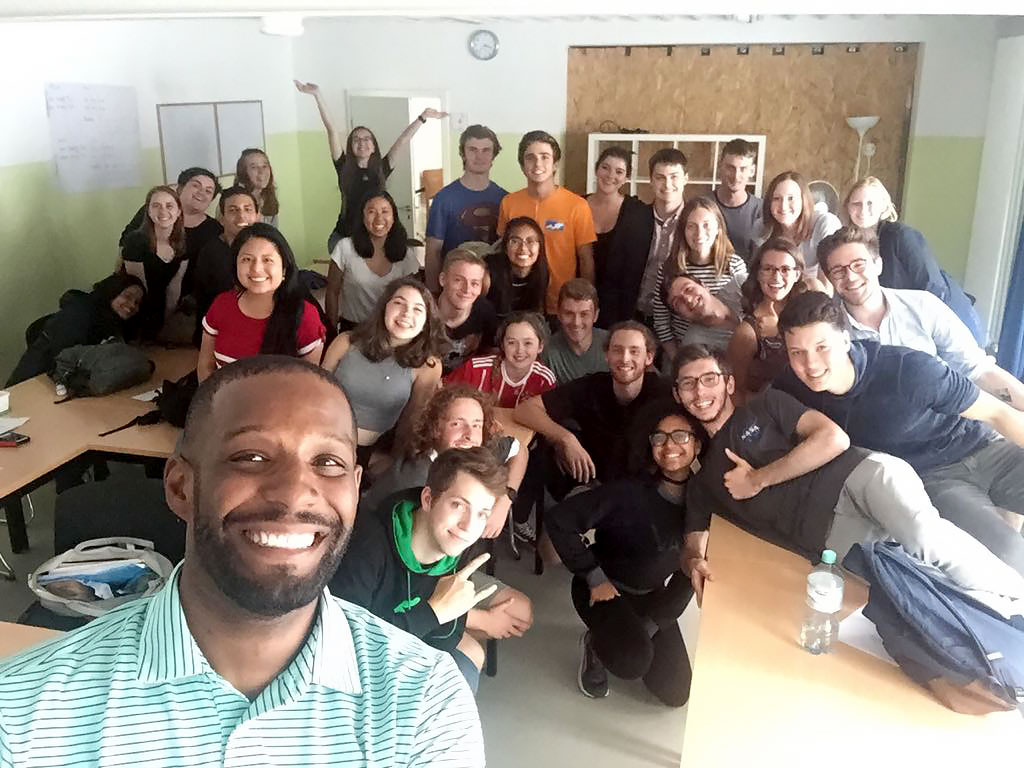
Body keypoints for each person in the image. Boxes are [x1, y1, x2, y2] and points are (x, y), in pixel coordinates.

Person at [0, 356, 485, 766]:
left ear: (356, 491)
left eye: (328, 462)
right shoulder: (24, 715)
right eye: (251, 457)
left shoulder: (425, 705)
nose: (296, 492)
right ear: (180, 487)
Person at [672, 345, 1024, 602]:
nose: (700, 391)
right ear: (678, 395)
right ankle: (999, 630)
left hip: (860, 477)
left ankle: (1018, 599)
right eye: (688, 384)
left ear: (729, 384)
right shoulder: (703, 482)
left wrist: (758, 479)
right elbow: (694, 543)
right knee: (917, 588)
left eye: (709, 379)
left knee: (924, 538)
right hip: (832, 541)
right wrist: (694, 565)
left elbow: (832, 438)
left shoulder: (767, 405)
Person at [773, 290, 1024, 569]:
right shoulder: (790, 389)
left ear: (845, 339)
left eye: (822, 347)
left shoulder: (908, 370)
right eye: (797, 352)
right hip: (936, 480)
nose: (811, 364)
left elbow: (998, 413)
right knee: (1009, 555)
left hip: (986, 448)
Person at [330, 447, 533, 694]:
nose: (468, 526)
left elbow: (444, 637)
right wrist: (434, 612)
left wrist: (445, 613)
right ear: (428, 499)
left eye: (482, 514)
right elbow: (347, 648)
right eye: (458, 505)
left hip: (402, 654)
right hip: (351, 678)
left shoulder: (451, 547)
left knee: (461, 674)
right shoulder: (367, 544)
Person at [547, 401, 698, 705]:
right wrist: (593, 574)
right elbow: (559, 520)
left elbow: (689, 574)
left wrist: (654, 622)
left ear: (697, 443)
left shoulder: (703, 502)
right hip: (604, 589)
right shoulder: (629, 492)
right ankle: (595, 643)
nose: (669, 445)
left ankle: (630, 637)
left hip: (652, 595)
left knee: (676, 692)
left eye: (681, 436)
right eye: (659, 437)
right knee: (632, 661)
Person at [821, 227, 1024, 410]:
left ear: (878, 265)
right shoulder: (829, 332)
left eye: (858, 265)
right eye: (838, 271)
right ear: (830, 280)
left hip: (953, 426)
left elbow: (979, 371)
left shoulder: (923, 306)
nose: (851, 276)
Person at [360, 385, 529, 544]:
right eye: (457, 424)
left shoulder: (478, 450)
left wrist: (505, 500)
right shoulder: (412, 481)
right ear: (435, 429)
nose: (469, 434)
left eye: (476, 425)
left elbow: (520, 450)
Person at [514, 321, 671, 489]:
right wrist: (565, 439)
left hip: (644, 490)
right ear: (606, 355)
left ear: (649, 357)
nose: (625, 358)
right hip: (595, 487)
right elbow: (525, 410)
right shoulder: (592, 386)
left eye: (634, 351)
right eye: (617, 350)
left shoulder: (664, 394)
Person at [294, 80, 447, 248]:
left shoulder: (382, 167)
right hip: (345, 237)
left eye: (367, 139)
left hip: (374, 237)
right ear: (350, 146)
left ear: (374, 146)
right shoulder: (343, 166)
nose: (362, 143)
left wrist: (423, 117)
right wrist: (317, 95)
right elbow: (331, 129)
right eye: (356, 139)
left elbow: (403, 140)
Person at [843, 176, 986, 345]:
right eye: (856, 204)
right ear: (848, 208)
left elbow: (932, 286)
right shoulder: (854, 244)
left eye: (870, 203)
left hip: (947, 324)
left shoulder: (900, 235)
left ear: (883, 206)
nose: (863, 210)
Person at [321, 277, 446, 457]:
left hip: (374, 454)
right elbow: (317, 393)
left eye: (418, 309)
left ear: (426, 322)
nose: (406, 314)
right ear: (384, 307)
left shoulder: (428, 366)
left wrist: (392, 461)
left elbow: (412, 421)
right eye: (398, 303)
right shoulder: (346, 341)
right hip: (324, 438)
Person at [198, 223, 325, 381]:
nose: (256, 269)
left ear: (284, 269)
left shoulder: (305, 316)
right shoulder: (221, 305)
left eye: (267, 260)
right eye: (246, 259)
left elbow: (307, 383)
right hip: (223, 402)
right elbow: (205, 365)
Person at [497, 131, 596, 314]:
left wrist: (585, 304)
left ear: (555, 164)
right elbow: (503, 254)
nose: (538, 164)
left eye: (545, 157)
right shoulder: (509, 203)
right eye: (530, 158)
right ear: (522, 165)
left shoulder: (577, 206)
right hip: (519, 303)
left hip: (561, 305)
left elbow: (586, 259)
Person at [651, 196, 748, 363]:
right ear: (683, 231)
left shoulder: (734, 265)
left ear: (718, 227)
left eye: (706, 225)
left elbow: (747, 308)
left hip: (732, 343)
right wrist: (678, 359)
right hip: (685, 348)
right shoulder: (670, 268)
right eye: (691, 227)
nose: (699, 233)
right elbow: (661, 322)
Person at [6, 273, 145, 387]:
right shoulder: (80, 313)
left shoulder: (112, 321)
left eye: (137, 302)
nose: (132, 305)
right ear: (112, 291)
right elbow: (63, 360)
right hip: (34, 383)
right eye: (127, 296)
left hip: (62, 384)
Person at [425, 125, 507, 291]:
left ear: (494, 155)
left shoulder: (505, 199)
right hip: (455, 290)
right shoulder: (444, 199)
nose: (479, 156)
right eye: (472, 149)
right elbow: (433, 252)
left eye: (486, 150)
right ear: (463, 153)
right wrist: (433, 295)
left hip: (494, 290)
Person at [727, 237, 810, 401]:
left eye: (785, 269)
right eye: (768, 268)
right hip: (776, 411)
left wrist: (780, 330)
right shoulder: (748, 332)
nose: (776, 277)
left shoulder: (810, 308)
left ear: (797, 274)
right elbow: (736, 392)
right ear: (758, 274)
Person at [325, 191, 421, 332]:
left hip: (392, 332)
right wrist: (331, 330)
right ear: (362, 217)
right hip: (353, 330)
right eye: (371, 212)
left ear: (394, 217)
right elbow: (332, 291)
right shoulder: (345, 248)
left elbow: (413, 297)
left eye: (385, 211)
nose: (379, 218)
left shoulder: (405, 254)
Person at [191, 185, 262, 340]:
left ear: (257, 216)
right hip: (223, 328)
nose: (241, 216)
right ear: (221, 219)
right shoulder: (211, 252)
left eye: (248, 209)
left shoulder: (268, 246)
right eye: (233, 210)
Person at [446, 311, 556, 409]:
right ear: (502, 345)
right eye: (511, 343)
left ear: (540, 346)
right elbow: (442, 394)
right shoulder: (475, 369)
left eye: (528, 343)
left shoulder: (544, 380)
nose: (519, 350)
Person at [119, 185, 188, 340]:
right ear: (149, 212)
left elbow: (174, 287)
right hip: (132, 307)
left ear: (178, 212)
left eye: (169, 206)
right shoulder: (135, 240)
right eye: (156, 206)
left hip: (160, 307)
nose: (163, 211)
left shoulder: (182, 241)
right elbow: (138, 288)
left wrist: (165, 321)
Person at [118, 166, 223, 265]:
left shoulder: (214, 229)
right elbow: (126, 242)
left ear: (211, 200)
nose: (201, 192)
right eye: (196, 185)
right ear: (180, 188)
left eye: (208, 191)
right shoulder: (155, 210)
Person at [636, 148, 688, 321]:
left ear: (685, 179)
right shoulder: (635, 218)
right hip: (638, 313)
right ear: (651, 180)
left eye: (674, 177)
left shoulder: (695, 222)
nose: (667, 185)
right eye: (660, 178)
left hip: (680, 317)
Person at [760, 170, 840, 280]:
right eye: (776, 199)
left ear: (804, 200)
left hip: (815, 291)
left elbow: (829, 285)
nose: (783, 206)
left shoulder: (825, 223)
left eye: (791, 198)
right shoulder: (762, 228)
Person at [435, 248, 498, 374]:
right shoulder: (423, 311)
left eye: (474, 283)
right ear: (443, 279)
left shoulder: (485, 312)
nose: (467, 289)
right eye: (458, 280)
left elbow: (492, 356)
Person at [543, 278, 610, 384]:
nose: (576, 322)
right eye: (569, 313)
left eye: (584, 314)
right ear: (559, 314)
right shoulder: (546, 353)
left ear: (595, 315)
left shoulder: (612, 344)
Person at [485, 216, 549, 321]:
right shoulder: (489, 273)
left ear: (540, 247)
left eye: (530, 241)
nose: (523, 248)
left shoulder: (541, 272)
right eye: (515, 241)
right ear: (505, 247)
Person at [713, 138, 763, 262]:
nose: (736, 176)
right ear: (720, 167)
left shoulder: (762, 210)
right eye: (730, 168)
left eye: (743, 169)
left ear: (752, 171)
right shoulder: (703, 206)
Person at [233, 148, 279, 227]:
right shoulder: (231, 201)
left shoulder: (267, 197)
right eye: (254, 167)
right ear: (243, 172)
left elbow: (274, 232)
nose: (261, 171)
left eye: (264, 166)